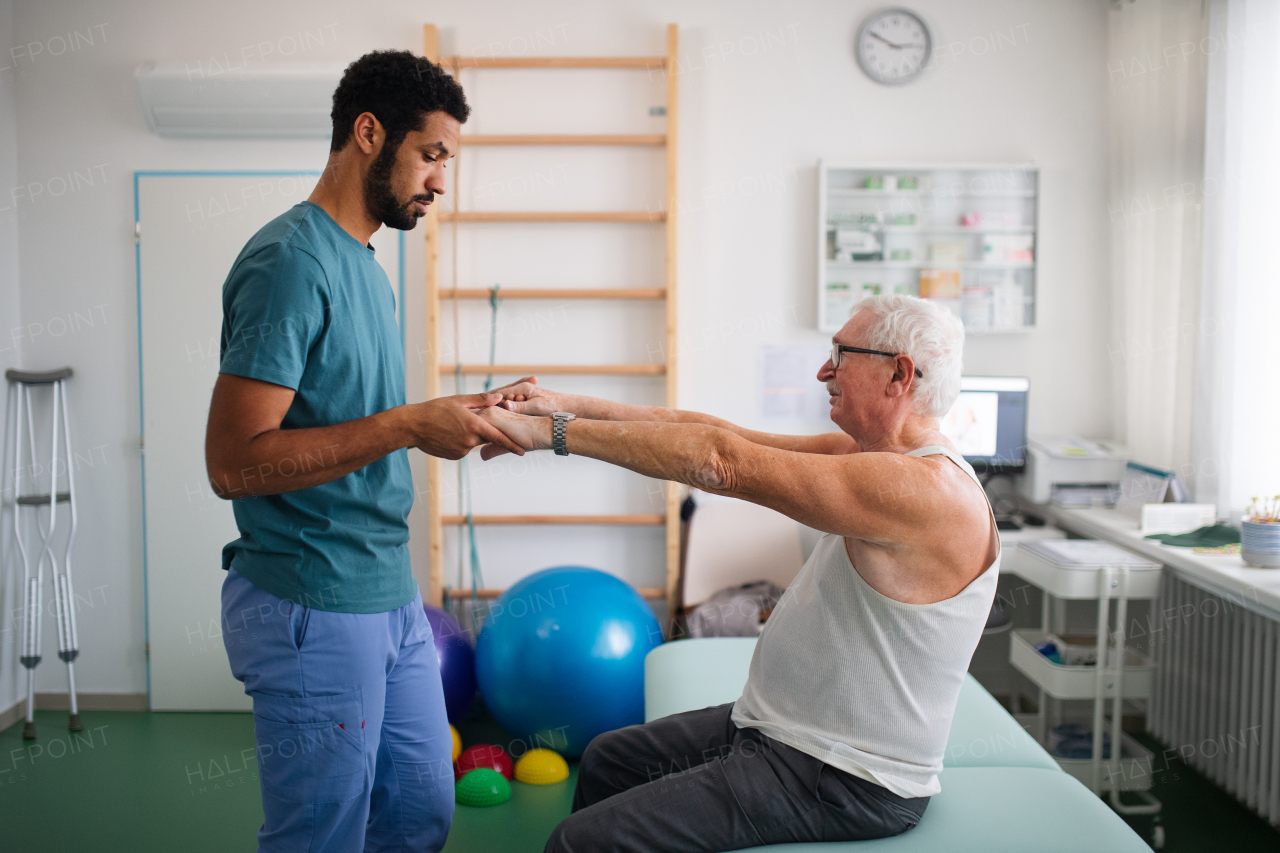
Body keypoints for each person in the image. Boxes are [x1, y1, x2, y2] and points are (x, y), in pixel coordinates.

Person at [480, 294, 1001, 852]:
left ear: (898, 374)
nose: (825, 371)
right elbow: (709, 430)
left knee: (576, 843)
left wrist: (547, 437)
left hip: (843, 775)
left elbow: (719, 461)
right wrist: (556, 407)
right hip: (781, 731)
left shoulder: (927, 492)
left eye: (840, 354)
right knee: (608, 759)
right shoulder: (875, 460)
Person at [204, 50, 523, 852]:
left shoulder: (368, 269)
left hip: (388, 590)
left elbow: (359, 421)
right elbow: (234, 461)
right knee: (320, 835)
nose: (441, 181)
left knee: (420, 811)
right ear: (368, 133)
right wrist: (413, 425)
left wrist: (460, 419)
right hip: (310, 598)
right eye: (431, 155)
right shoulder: (290, 262)